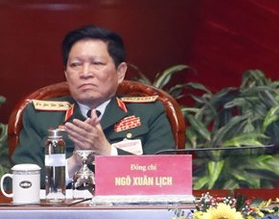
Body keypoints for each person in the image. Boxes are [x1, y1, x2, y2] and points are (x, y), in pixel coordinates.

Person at [12, 25, 175, 177]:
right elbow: (21, 181)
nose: (85, 73)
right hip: (63, 208)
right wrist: (73, 162)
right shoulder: (40, 116)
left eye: (96, 63)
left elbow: (165, 175)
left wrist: (106, 152)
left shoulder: (149, 113)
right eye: (75, 65)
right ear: (66, 74)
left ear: (120, 72)